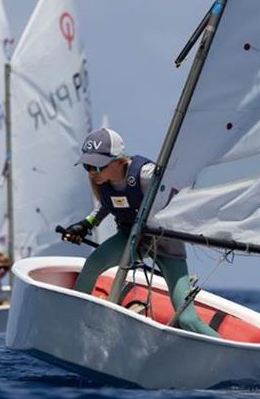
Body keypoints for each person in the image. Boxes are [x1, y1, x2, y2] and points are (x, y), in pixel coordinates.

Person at [61, 127, 218, 337]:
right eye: (87, 166)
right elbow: (107, 204)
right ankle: (73, 325)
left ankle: (232, 352)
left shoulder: (146, 175)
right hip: (129, 239)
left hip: (166, 244)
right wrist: (86, 224)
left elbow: (180, 188)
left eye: (97, 166)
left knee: (187, 319)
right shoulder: (103, 182)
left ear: (118, 161)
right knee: (93, 265)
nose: (91, 172)